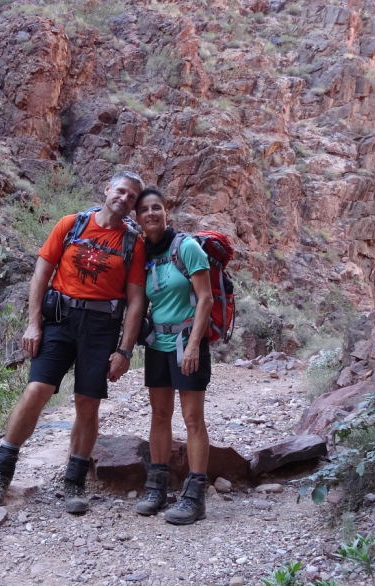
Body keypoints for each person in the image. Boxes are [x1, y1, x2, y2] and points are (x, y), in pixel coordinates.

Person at [0, 171, 147, 514]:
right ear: (106, 189)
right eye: (121, 191)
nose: (124, 199)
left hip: (101, 327)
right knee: (36, 390)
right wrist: (33, 324)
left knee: (88, 402)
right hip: (59, 321)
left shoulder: (134, 244)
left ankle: (74, 480)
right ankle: (1, 472)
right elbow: (42, 272)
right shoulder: (72, 224)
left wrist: (125, 351)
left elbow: (136, 302)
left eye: (132, 197)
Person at [132, 187, 214, 525]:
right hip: (157, 345)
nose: (150, 214)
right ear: (137, 218)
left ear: (167, 212)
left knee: (193, 418)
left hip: (187, 343)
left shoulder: (188, 247)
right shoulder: (144, 253)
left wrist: (194, 344)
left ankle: (195, 497)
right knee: (160, 415)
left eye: (156, 208)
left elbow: (206, 299)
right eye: (144, 210)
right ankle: (158, 487)